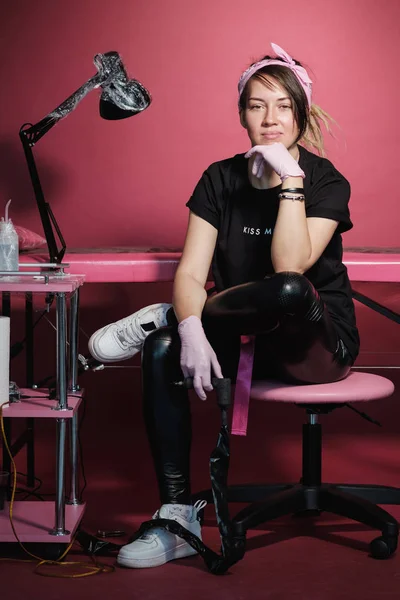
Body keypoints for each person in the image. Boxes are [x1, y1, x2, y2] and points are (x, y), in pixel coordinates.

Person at [89, 43, 359, 569]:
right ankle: (176, 514)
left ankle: (174, 313)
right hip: (243, 335)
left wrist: (291, 181)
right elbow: (190, 272)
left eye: (283, 105)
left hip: (318, 344)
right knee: (166, 346)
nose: (270, 118)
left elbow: (291, 265)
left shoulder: (327, 182)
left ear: (301, 114)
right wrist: (190, 328)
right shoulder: (219, 178)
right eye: (257, 105)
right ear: (241, 114)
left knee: (286, 289)